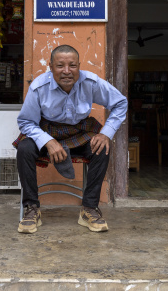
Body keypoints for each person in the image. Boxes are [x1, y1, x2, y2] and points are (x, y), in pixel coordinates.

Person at [13, 45, 128, 234]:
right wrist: (48, 141)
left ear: (79, 66)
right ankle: (31, 208)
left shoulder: (90, 82)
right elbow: (26, 122)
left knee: (101, 148)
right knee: (25, 148)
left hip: (80, 131)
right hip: (46, 130)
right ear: (50, 67)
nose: (67, 71)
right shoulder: (39, 87)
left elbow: (120, 102)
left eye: (72, 65)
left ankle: (89, 208)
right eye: (60, 66)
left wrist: (106, 132)